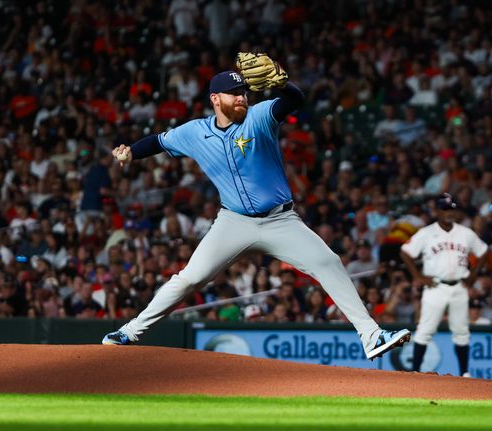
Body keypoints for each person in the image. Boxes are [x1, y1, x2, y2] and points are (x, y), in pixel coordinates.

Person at [102, 68, 410, 360]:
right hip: (233, 222)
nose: (241, 97)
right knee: (189, 279)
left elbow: (294, 101)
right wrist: (130, 151)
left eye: (243, 92)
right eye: (233, 93)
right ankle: (130, 332)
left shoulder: (260, 117)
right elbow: (158, 141)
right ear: (215, 99)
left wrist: (282, 84)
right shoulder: (194, 132)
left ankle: (371, 336)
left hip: (281, 220)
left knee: (328, 262)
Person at [400, 193, 489, 375]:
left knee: (461, 331)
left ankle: (465, 374)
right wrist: (418, 276)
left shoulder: (465, 233)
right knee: (425, 330)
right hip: (436, 287)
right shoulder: (426, 233)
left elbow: (484, 251)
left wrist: (473, 274)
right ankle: (415, 372)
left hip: (459, 287)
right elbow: (405, 252)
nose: (449, 212)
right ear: (437, 211)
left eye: (451, 209)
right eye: (445, 209)